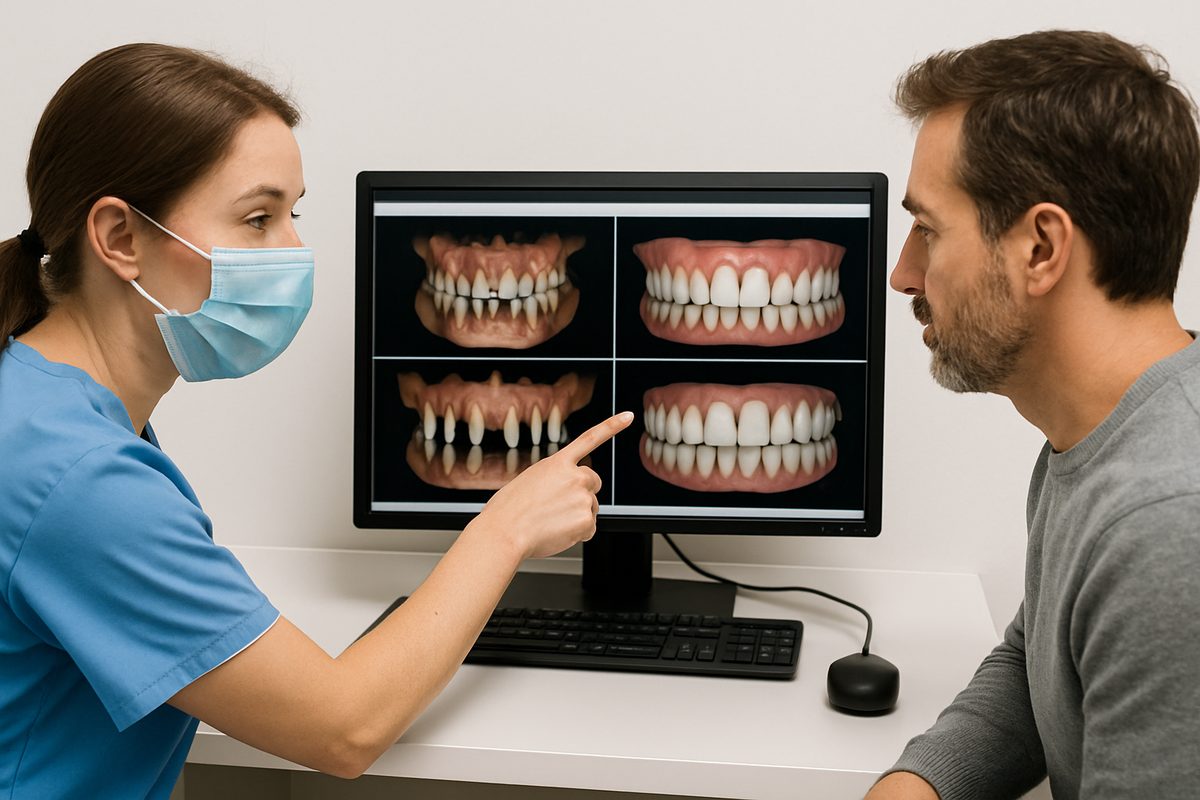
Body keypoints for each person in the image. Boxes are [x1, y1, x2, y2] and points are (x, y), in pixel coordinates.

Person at [0, 43, 632, 798]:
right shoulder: (74, 476)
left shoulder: (41, 409)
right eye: (258, 218)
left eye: (293, 215)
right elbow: (344, 729)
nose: (294, 253)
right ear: (121, 238)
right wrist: (507, 528)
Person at [865, 30, 1200, 800]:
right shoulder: (1098, 436)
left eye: (929, 229)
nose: (902, 273)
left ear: (1041, 248)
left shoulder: (1167, 523)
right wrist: (921, 784)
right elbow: (1040, 662)